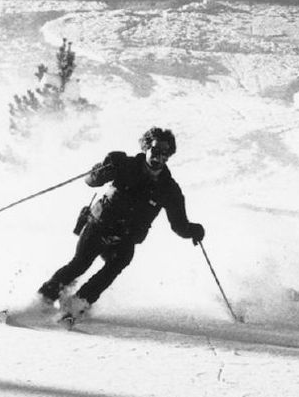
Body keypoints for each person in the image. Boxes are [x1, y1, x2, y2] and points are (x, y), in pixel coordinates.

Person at [37, 126, 205, 320]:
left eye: (165, 154)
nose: (159, 158)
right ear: (146, 148)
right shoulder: (124, 165)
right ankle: (42, 299)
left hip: (125, 238)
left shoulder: (169, 189)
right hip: (99, 226)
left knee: (113, 268)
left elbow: (179, 224)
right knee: (80, 264)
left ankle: (76, 306)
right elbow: (91, 181)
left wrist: (194, 230)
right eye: (156, 151)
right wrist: (102, 168)